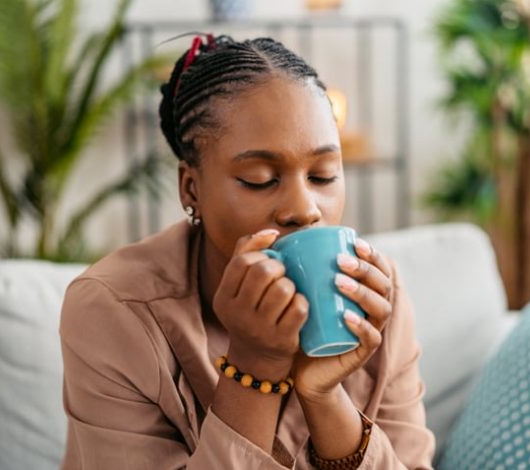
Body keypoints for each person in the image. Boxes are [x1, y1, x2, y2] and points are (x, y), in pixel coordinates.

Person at [59, 34, 435, 469]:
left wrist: (325, 397)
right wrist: (254, 367)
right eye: (259, 178)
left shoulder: (373, 292)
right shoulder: (114, 309)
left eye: (324, 175)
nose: (304, 209)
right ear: (191, 188)